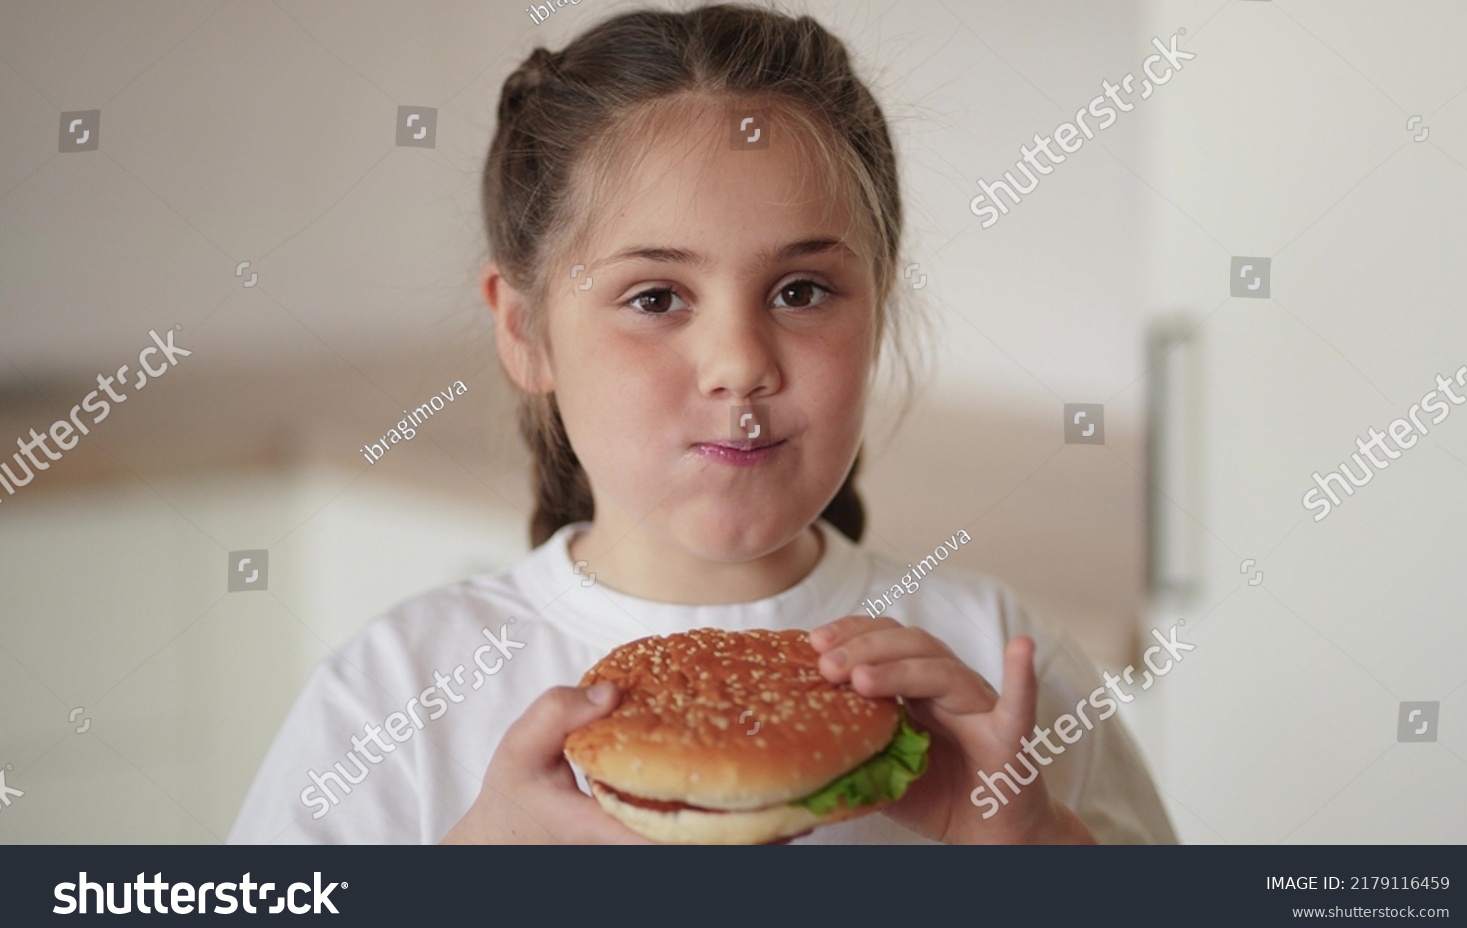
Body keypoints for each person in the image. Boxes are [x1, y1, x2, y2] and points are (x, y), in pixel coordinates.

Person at [228, 3, 1176, 845]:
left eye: (801, 290)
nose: (741, 363)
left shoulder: (998, 666)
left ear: (878, 309)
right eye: (655, 296)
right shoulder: (393, 694)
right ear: (526, 330)